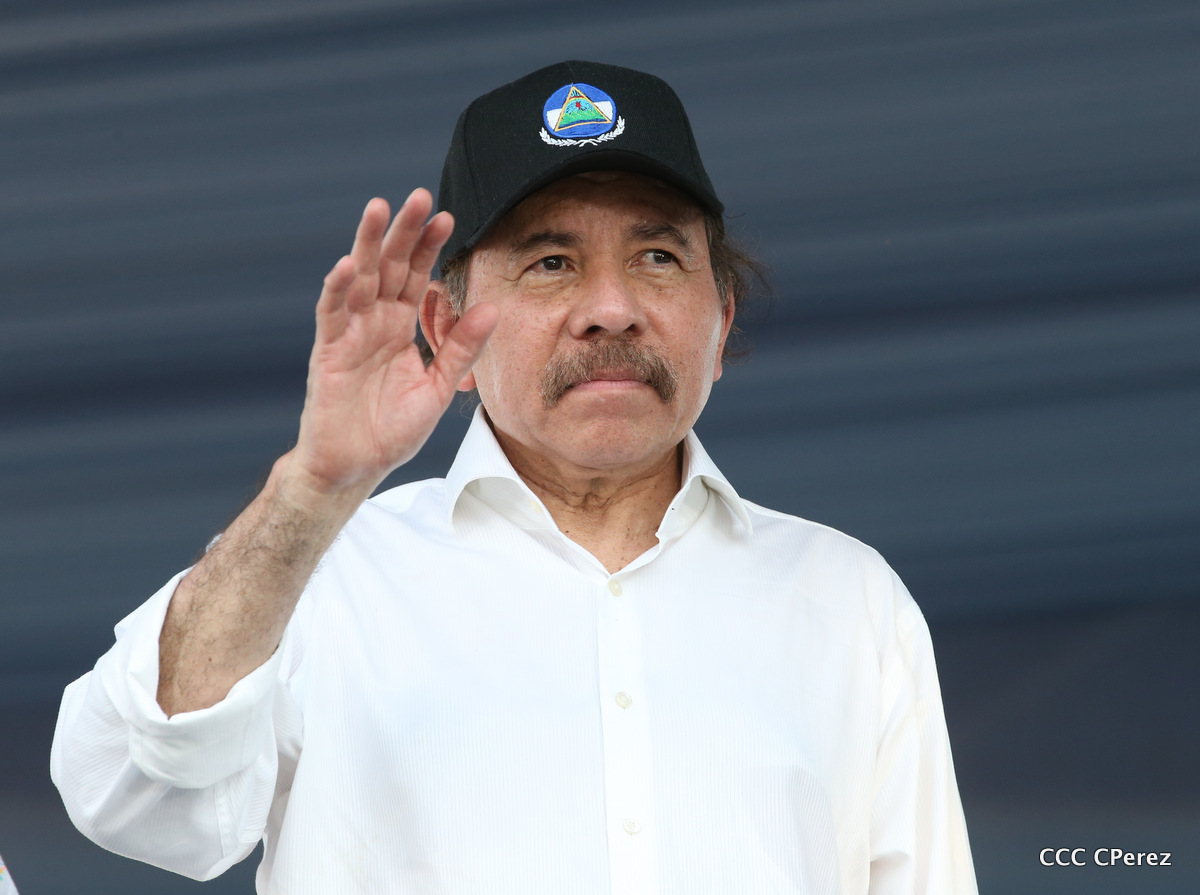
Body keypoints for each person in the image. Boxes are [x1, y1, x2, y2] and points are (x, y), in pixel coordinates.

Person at [51, 60, 977, 894]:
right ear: (442, 324)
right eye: (550, 262)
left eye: (658, 257)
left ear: (722, 318)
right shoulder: (328, 579)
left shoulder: (849, 598)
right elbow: (126, 796)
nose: (610, 308)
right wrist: (314, 489)